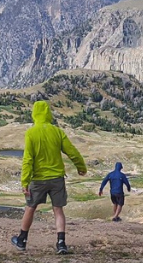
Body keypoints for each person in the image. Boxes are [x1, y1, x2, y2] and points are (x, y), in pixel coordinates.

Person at [11, 100, 87, 254]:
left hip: (38, 179)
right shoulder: (57, 131)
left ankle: (22, 240)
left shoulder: (31, 133)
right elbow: (71, 151)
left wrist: (25, 181)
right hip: (57, 178)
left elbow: (28, 160)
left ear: (34, 114)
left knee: (30, 208)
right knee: (58, 210)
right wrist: (81, 167)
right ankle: (61, 243)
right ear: (48, 114)